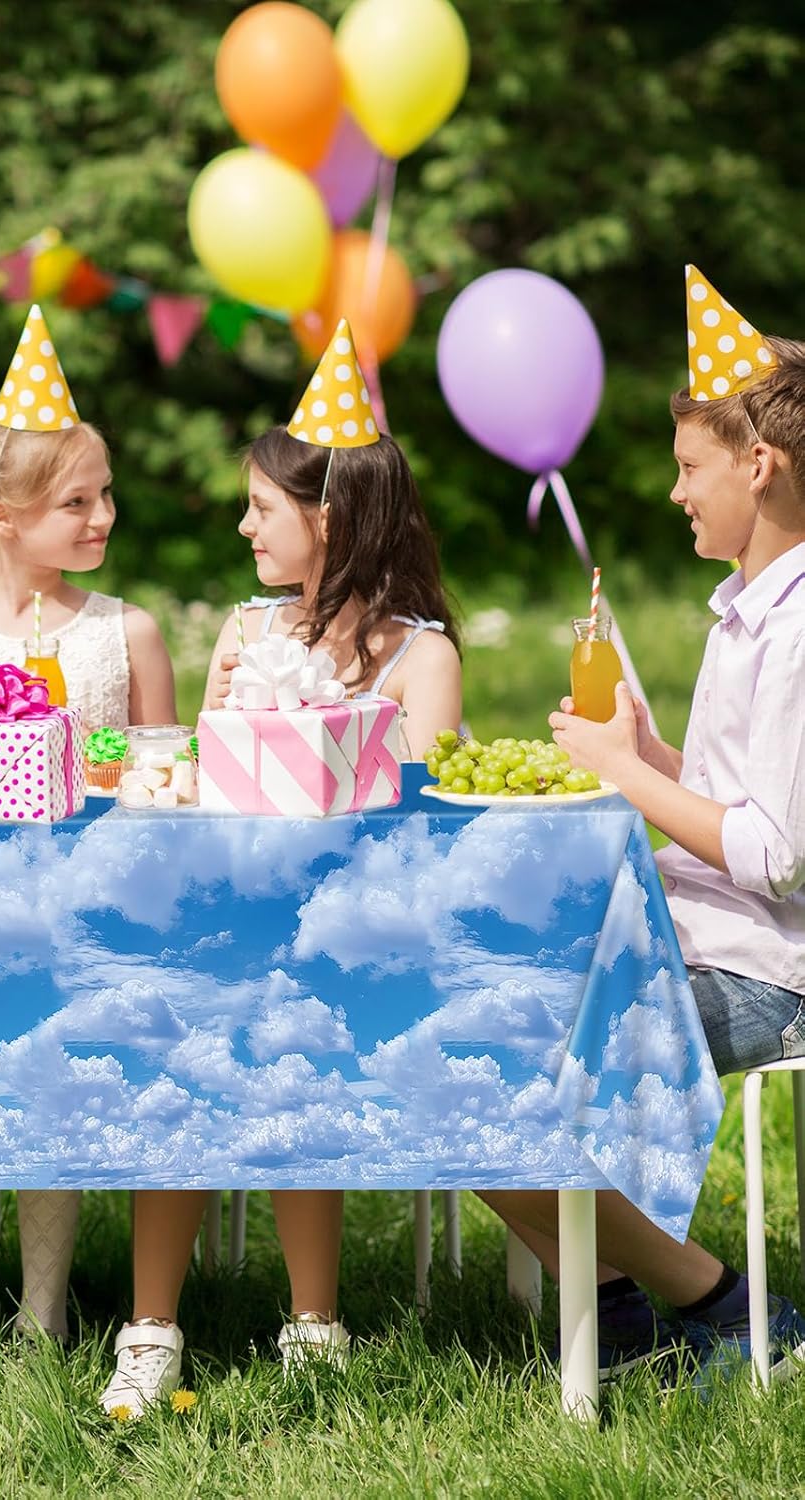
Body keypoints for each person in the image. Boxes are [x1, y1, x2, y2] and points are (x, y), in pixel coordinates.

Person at [100, 321, 462, 1416]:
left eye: (262, 506)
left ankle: (313, 1319)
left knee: (296, 1025)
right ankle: (150, 1326)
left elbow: (418, 818)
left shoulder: (419, 655)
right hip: (225, 919)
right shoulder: (243, 637)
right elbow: (207, 779)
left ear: (331, 518)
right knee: (189, 1029)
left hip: (357, 933)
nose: (243, 522)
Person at [485, 270, 805, 1388]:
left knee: (493, 1078)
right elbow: (737, 794)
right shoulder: (744, 610)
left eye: (689, 469)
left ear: (757, 467)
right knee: (468, 1030)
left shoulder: (799, 627)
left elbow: (773, 853)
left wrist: (624, 773)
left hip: (767, 971)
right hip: (701, 935)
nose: (676, 494)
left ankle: (722, 1307)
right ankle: (626, 1314)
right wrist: (655, 759)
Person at [0, 305, 176, 1343]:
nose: (101, 519)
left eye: (104, 497)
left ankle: (43, 1310)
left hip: (93, 917)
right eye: (76, 502)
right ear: (3, 517)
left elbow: (159, 781)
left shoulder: (126, 631)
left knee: (57, 1082)